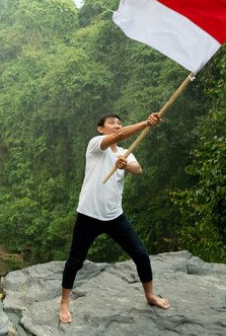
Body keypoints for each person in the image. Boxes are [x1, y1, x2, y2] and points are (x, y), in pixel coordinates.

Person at [59, 112, 170, 324]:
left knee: (141, 254)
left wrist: (125, 164)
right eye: (112, 123)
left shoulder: (124, 152)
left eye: (120, 123)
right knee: (75, 260)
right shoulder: (95, 145)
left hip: (114, 216)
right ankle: (64, 301)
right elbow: (118, 137)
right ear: (101, 129)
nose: (117, 125)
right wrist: (146, 123)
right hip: (88, 215)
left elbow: (138, 170)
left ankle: (149, 295)